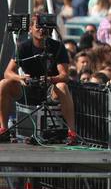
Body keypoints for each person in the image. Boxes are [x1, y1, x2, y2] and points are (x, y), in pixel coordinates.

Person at [0, 15, 76, 143]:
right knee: (3, 84)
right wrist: (21, 78)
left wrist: (51, 79)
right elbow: (8, 72)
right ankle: (3, 129)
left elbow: (64, 76)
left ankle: (71, 132)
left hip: (49, 89)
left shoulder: (57, 47)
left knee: (63, 86)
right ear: (30, 29)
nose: (42, 30)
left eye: (45, 27)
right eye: (38, 26)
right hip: (27, 88)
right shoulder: (23, 47)